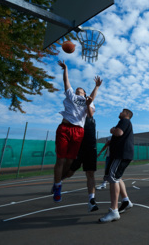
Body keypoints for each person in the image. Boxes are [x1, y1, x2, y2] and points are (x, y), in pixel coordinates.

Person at [52, 60, 102, 203]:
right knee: (60, 159)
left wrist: (96, 86)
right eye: (77, 89)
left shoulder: (88, 101)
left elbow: (93, 98)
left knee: (70, 161)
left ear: (85, 93)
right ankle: (57, 186)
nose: (78, 89)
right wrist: (65, 69)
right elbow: (66, 81)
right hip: (65, 128)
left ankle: (60, 179)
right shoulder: (71, 95)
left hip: (78, 131)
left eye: (81, 89)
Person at [99, 109, 134, 223]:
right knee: (117, 178)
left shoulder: (124, 121)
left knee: (112, 178)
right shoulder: (126, 122)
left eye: (122, 111)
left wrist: (112, 130)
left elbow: (119, 132)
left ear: (126, 114)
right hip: (122, 155)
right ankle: (126, 201)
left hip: (121, 155)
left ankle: (114, 211)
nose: (120, 112)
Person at [61, 115, 100, 212]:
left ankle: (91, 201)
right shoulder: (75, 119)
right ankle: (58, 181)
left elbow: (90, 106)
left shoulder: (91, 119)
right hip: (78, 149)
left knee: (90, 174)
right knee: (70, 173)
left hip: (91, 149)